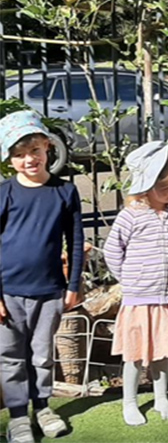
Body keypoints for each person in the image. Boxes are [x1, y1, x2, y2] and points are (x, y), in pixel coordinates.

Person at [0, 110, 84, 443]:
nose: (28, 159)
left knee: (42, 355)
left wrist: (73, 284)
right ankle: (18, 417)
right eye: (19, 154)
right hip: (8, 294)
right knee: (10, 357)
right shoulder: (4, 192)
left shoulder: (65, 192)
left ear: (47, 147)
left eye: (34, 150)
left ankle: (43, 408)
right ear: (10, 160)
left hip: (50, 291)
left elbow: (75, 240)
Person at [104, 140, 168, 426]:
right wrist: (129, 279)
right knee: (136, 353)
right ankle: (129, 401)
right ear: (147, 184)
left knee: (162, 351)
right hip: (138, 299)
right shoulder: (131, 215)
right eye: (166, 186)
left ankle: (161, 396)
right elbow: (113, 250)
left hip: (165, 297)